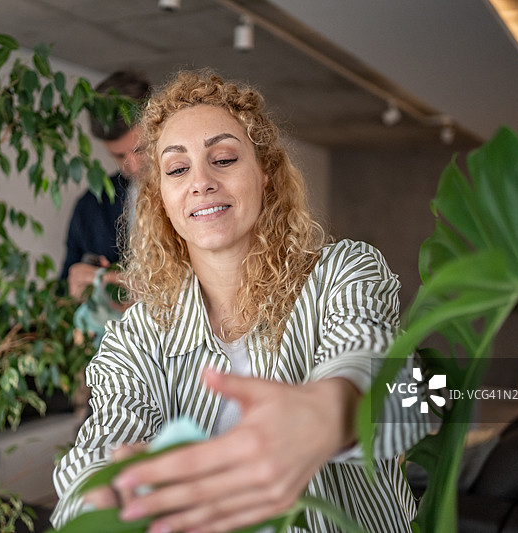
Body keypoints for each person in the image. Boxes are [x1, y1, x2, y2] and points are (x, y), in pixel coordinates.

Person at [51, 70, 429, 533]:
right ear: (161, 200)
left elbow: (385, 374)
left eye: (224, 158)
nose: (201, 181)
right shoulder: (138, 334)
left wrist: (329, 409)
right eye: (176, 168)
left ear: (265, 173)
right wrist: (104, 496)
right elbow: (101, 444)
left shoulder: (342, 272)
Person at [60, 70, 150, 300]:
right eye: (119, 156)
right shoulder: (91, 206)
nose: (132, 165)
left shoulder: (195, 193)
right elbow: (62, 292)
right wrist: (77, 289)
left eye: (140, 149)